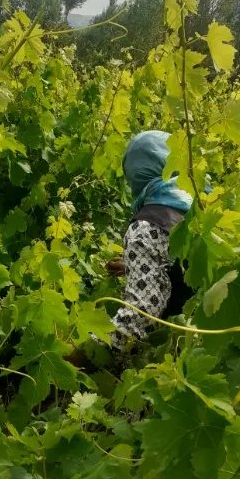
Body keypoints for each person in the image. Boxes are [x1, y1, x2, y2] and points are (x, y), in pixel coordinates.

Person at [103, 130, 193, 353]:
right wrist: (142, 263)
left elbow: (141, 312)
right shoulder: (204, 203)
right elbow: (190, 264)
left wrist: (78, 356)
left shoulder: (145, 229)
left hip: (180, 350)